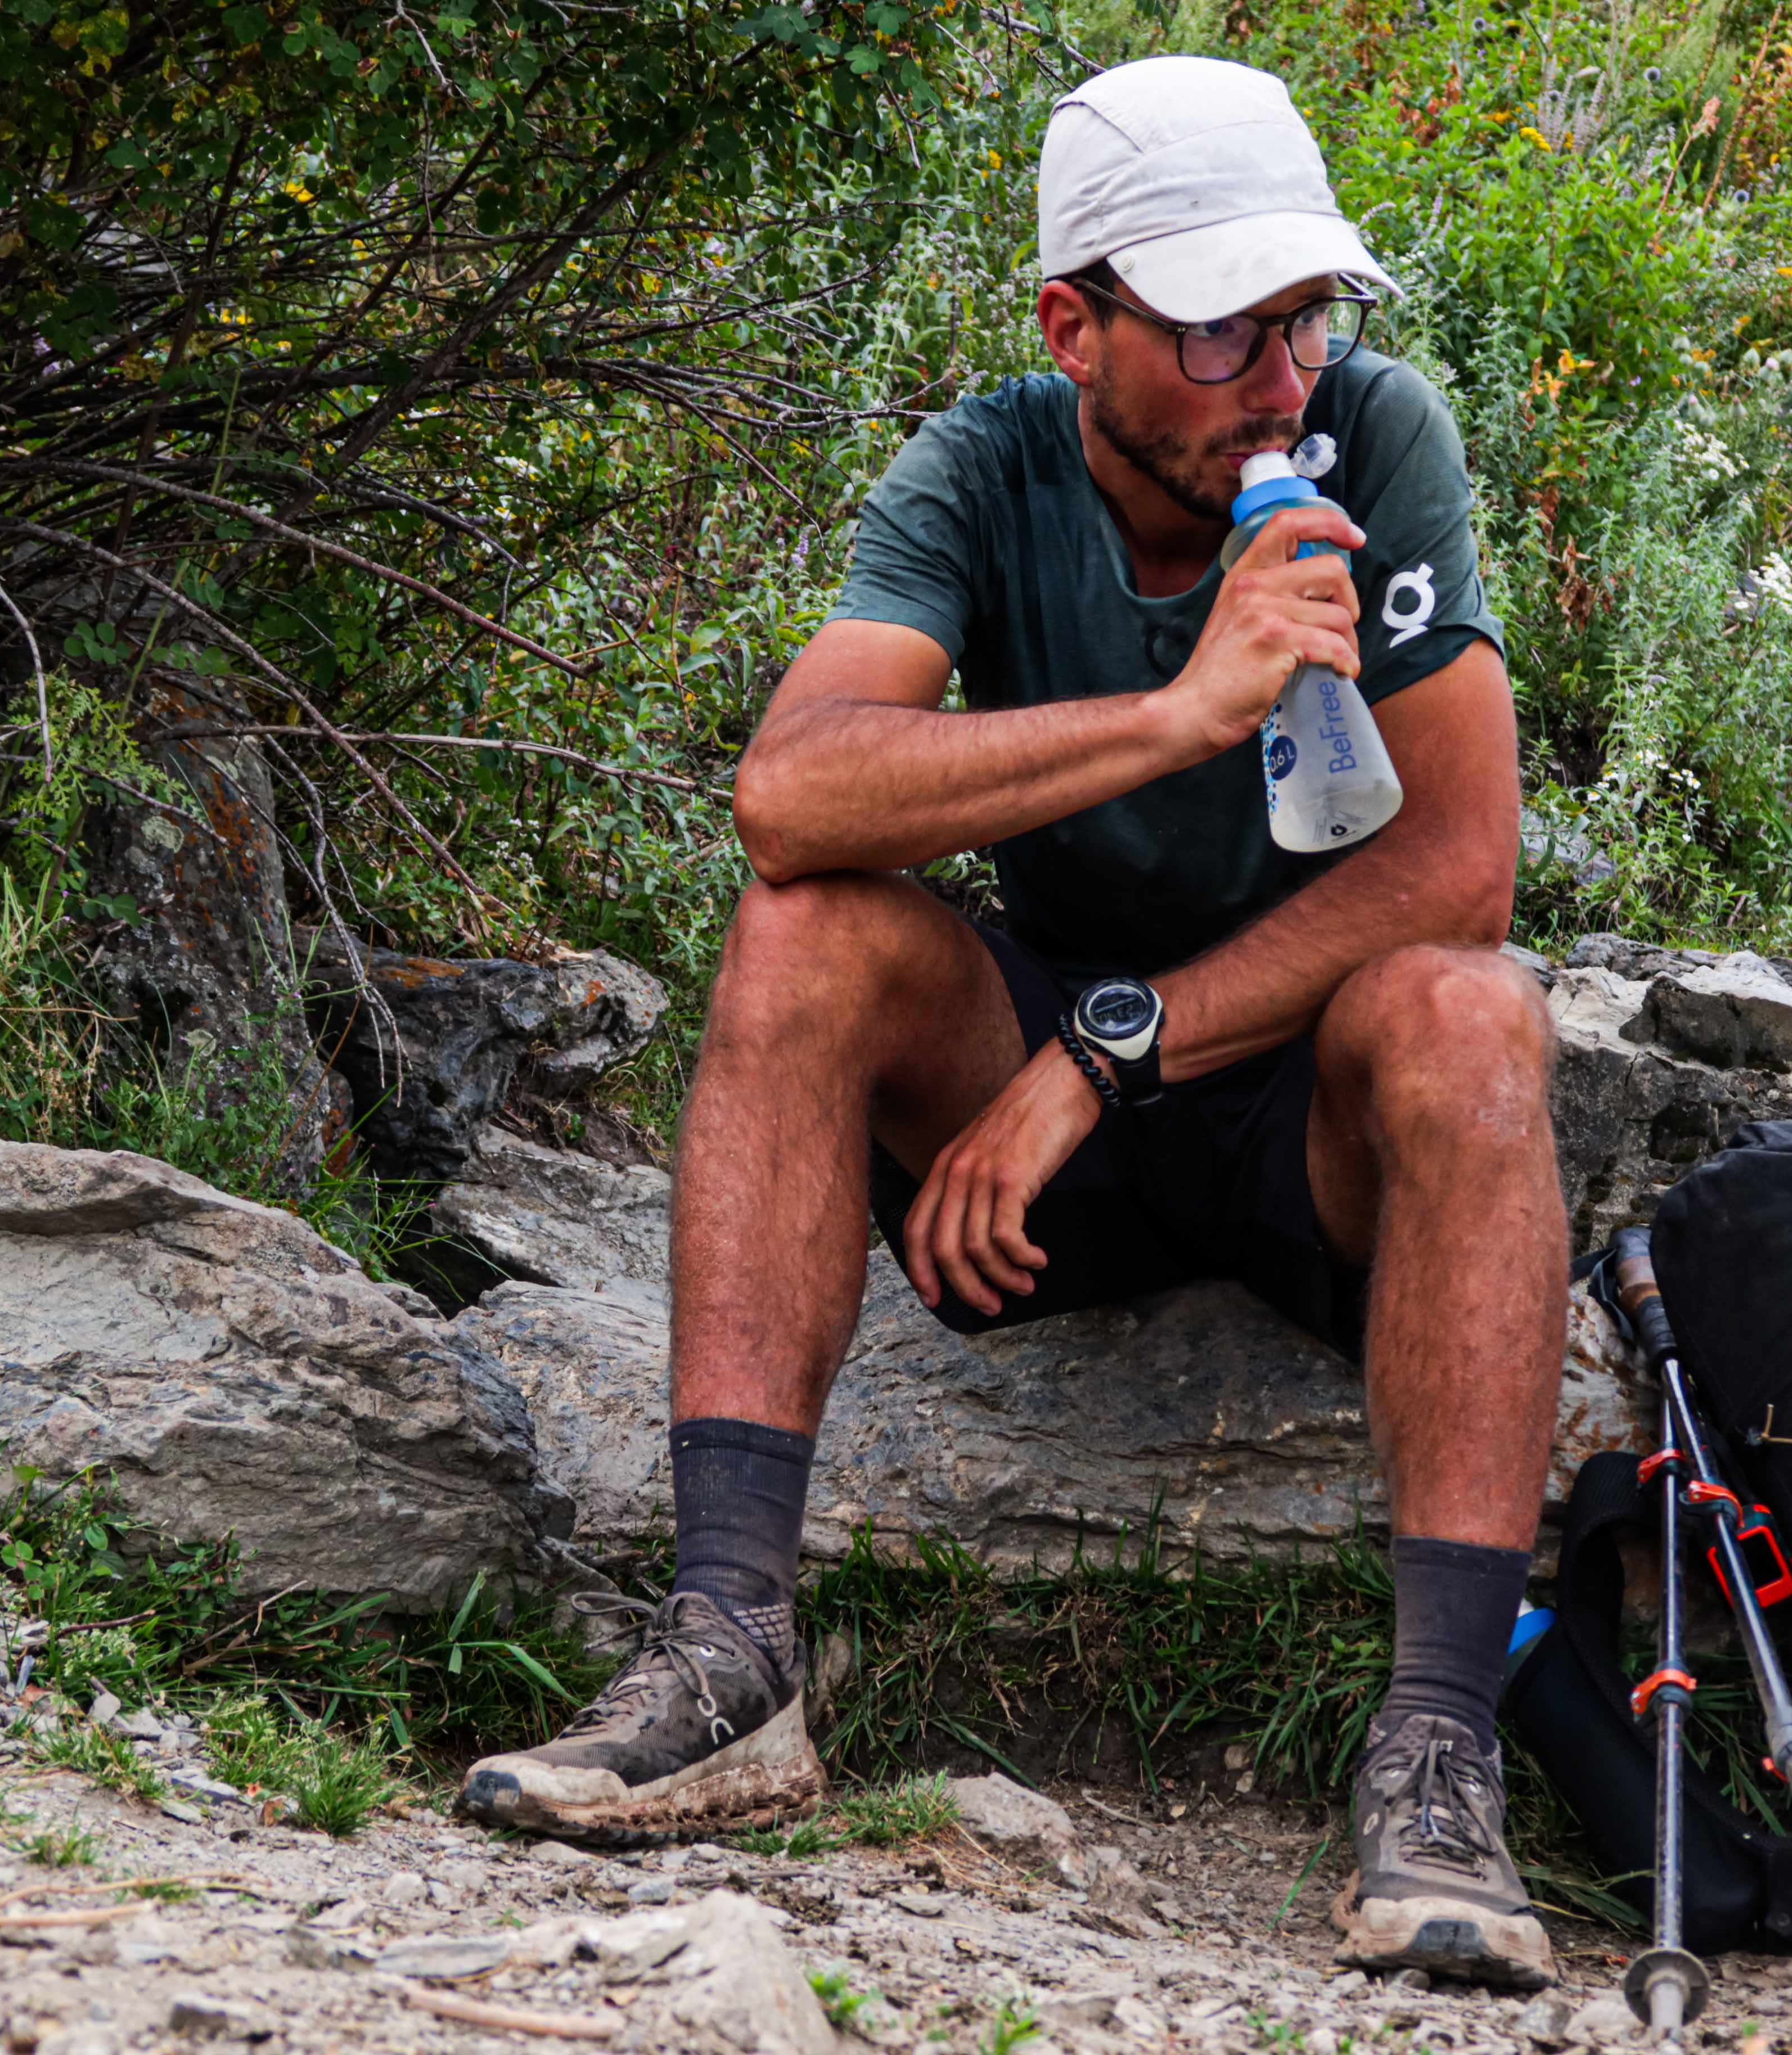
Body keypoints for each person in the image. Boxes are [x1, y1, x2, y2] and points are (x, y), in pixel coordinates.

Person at [460, 53, 1566, 1992]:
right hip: (1034, 1140)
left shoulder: (1374, 439)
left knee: (1468, 1017)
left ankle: (1439, 1746)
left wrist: (1097, 1055)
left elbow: (1462, 869)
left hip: (1290, 1102)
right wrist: (1171, 716)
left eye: (1303, 320)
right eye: (1226, 335)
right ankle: (732, 1651)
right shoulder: (984, 466)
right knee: (802, 937)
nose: (1285, 384)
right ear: (1079, 325)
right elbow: (791, 796)